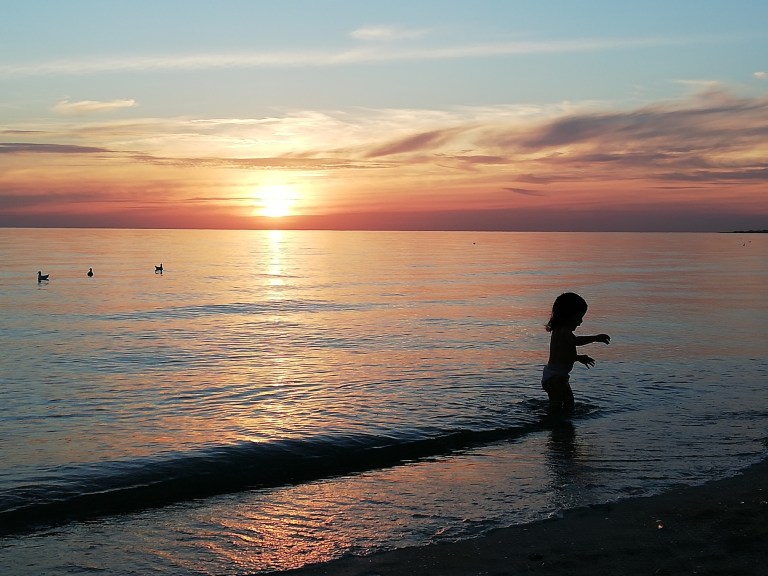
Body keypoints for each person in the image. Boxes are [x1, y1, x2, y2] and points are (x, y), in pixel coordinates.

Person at [542, 292, 610, 413]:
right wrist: (595, 338)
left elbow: (562, 355)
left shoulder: (559, 331)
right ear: (569, 315)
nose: (581, 321)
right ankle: (554, 426)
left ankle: (559, 427)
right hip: (555, 378)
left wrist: (577, 358)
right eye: (579, 317)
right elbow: (576, 341)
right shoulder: (564, 331)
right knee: (557, 407)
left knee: (569, 404)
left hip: (556, 376)